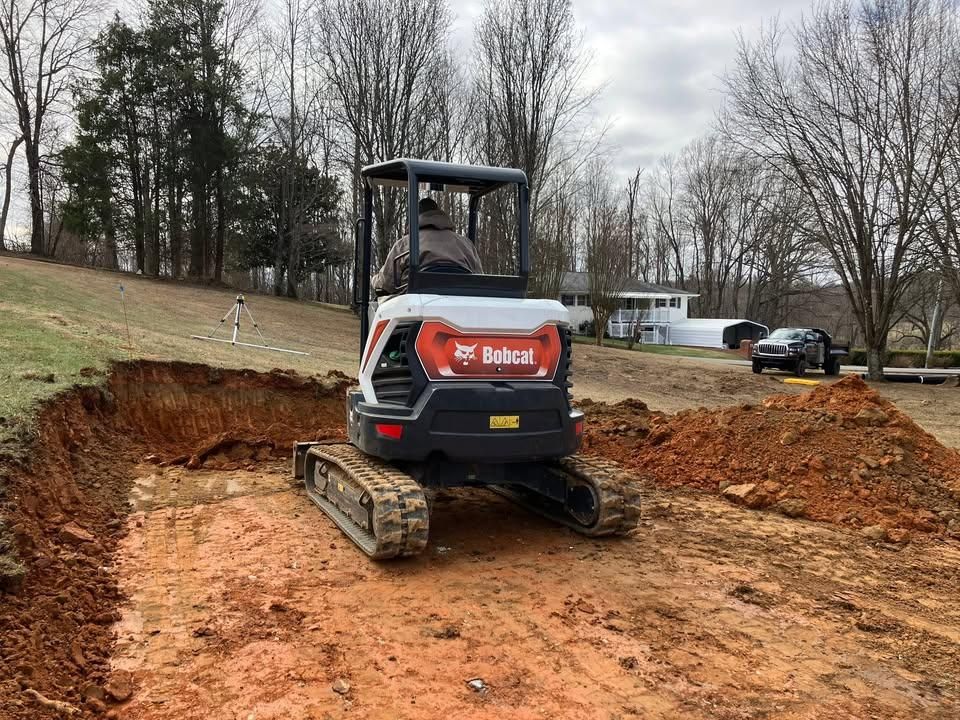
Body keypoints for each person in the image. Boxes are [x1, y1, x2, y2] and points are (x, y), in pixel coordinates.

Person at [373, 197, 483, 295]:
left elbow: (386, 284)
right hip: (460, 301)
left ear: (415, 218)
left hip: (414, 304)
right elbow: (479, 279)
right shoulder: (466, 244)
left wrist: (374, 280)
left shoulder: (405, 244)